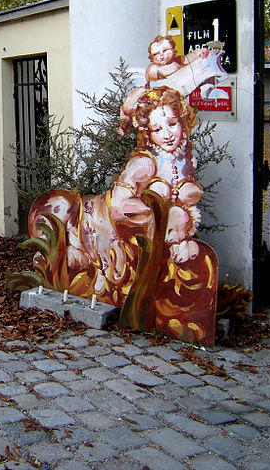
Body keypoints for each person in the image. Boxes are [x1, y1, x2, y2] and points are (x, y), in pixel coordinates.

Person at [28, 86, 217, 346]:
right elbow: (118, 207)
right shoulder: (145, 162)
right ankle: (72, 246)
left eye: (172, 124)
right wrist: (157, 218)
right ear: (148, 133)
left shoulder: (183, 160)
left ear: (182, 120)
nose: (167, 134)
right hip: (109, 226)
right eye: (157, 129)